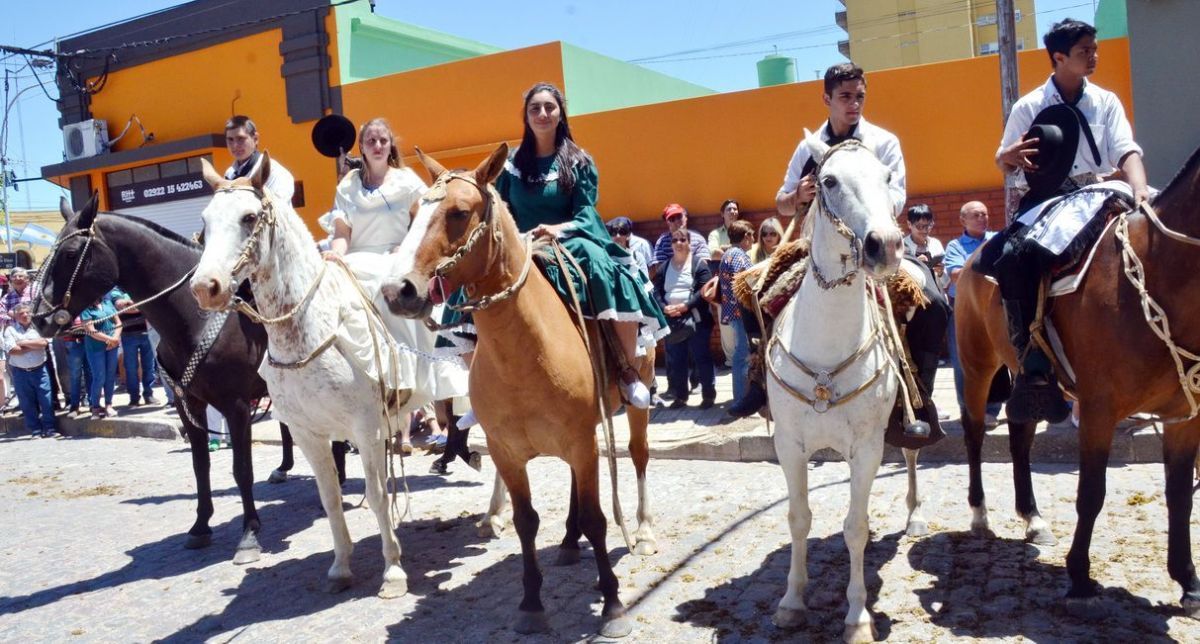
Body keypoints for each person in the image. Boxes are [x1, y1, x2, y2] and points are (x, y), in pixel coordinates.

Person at [729, 62, 908, 419]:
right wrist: (797, 195)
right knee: (749, 287)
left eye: (859, 96)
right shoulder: (809, 147)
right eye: (844, 97)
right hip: (812, 249)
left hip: (871, 244)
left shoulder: (883, 143)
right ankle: (759, 382)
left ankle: (914, 397)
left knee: (929, 300)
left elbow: (898, 197)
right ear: (826, 98)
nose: (853, 104)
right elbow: (780, 203)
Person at [991, 18, 1147, 424]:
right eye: (1084, 52)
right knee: (1013, 257)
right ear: (1059, 58)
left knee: (1159, 237)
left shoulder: (1106, 101)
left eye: (1094, 49)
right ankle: (1032, 363)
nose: (1093, 57)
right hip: (1048, 196)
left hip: (1100, 191)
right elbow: (1004, 160)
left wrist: (1141, 189)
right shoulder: (1028, 106)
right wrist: (1007, 158)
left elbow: (1126, 151)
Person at [494, 82, 668, 409]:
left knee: (606, 268)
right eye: (535, 108)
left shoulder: (579, 161)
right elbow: (499, 208)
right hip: (522, 245)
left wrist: (557, 229)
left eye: (549, 107)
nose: (543, 114)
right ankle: (484, 389)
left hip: (570, 239)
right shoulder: (511, 165)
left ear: (561, 113)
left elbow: (587, 212)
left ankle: (627, 371)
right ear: (526, 116)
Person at [323, 117, 468, 449]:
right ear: (361, 147)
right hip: (359, 256)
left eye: (382, 140)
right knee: (331, 289)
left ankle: (403, 376)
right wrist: (335, 254)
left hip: (398, 254)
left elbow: (424, 224)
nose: (377, 146)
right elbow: (342, 234)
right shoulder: (347, 186)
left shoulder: (406, 182)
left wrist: (406, 247)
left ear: (390, 146)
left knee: (390, 285)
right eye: (371, 141)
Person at [944, 201, 1001, 423]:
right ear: (963, 220)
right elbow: (957, 274)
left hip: (995, 310)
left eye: (985, 214)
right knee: (963, 361)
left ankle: (992, 409)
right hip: (965, 312)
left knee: (997, 357)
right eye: (976, 215)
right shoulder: (955, 246)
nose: (982, 218)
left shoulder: (997, 239)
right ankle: (968, 408)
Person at [653, 229, 715, 409]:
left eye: (682, 240)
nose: (678, 243)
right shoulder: (664, 267)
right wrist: (665, 307)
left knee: (701, 358)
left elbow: (704, 291)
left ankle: (708, 396)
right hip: (673, 321)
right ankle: (681, 397)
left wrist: (685, 306)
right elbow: (656, 291)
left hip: (697, 320)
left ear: (689, 243)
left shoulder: (699, 265)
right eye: (675, 240)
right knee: (677, 361)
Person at [2, 303, 58, 438]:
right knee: (27, 402)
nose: (25, 315)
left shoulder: (39, 327)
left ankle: (50, 428)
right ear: (15, 316)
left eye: (27, 312)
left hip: (40, 369)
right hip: (20, 372)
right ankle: (35, 430)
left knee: (46, 400)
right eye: (21, 314)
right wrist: (34, 344)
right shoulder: (10, 330)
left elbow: (44, 343)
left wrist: (22, 343)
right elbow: (13, 350)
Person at [718, 220, 755, 407]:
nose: (754, 238)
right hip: (742, 312)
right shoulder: (739, 256)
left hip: (734, 312)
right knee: (742, 354)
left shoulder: (729, 254)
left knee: (740, 354)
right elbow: (747, 283)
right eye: (752, 234)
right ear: (746, 236)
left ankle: (741, 396)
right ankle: (741, 399)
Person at [223, 115, 295, 203]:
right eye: (230, 140)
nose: (235, 145)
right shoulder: (229, 174)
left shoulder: (273, 170)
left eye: (240, 139)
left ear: (255, 139)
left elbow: (274, 208)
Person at [80, 290, 122, 418]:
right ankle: (95, 407)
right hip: (96, 347)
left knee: (110, 377)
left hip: (112, 345)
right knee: (99, 377)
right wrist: (109, 339)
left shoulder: (108, 303)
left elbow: (118, 323)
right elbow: (90, 330)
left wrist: (115, 338)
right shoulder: (85, 309)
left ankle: (109, 404)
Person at [113, 290, 159, 407]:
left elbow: (148, 303)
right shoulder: (115, 291)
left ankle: (148, 394)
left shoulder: (138, 284)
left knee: (149, 366)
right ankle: (134, 397)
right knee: (130, 368)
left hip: (146, 332)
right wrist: (138, 304)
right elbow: (121, 306)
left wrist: (130, 304)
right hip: (128, 336)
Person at [650, 204, 710, 279]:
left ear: (685, 217)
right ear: (668, 223)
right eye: (672, 219)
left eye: (679, 216)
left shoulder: (698, 239)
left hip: (694, 282)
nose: (677, 221)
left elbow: (702, 265)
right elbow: (660, 269)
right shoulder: (662, 242)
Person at [903, 204, 945, 278]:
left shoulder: (935, 243)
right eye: (919, 226)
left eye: (928, 225)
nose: (925, 230)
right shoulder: (902, 246)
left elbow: (945, 282)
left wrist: (941, 273)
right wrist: (916, 265)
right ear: (909, 224)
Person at [606, 216, 653, 280]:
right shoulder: (606, 258)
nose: (618, 236)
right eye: (613, 233)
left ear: (628, 235)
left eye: (622, 232)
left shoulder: (637, 255)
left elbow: (650, 270)